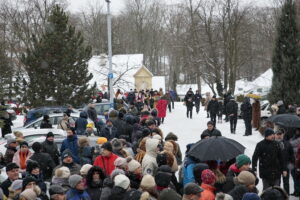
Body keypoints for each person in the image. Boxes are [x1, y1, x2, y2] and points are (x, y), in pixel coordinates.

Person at [274, 129, 294, 195]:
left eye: (280, 134)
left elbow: (292, 156)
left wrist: (290, 166)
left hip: (286, 167)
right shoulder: (272, 144)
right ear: (275, 135)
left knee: (286, 183)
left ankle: (286, 195)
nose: (279, 136)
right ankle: (277, 196)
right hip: (276, 167)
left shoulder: (288, 144)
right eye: (277, 134)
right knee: (277, 183)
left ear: (283, 135)